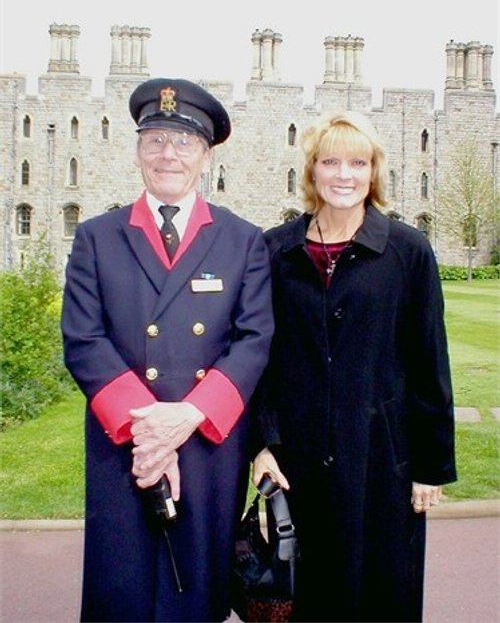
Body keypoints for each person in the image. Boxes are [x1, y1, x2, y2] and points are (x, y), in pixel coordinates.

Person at [61, 77, 274, 622]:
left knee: (194, 594)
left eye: (183, 143)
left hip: (205, 444)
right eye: (155, 139)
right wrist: (149, 431)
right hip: (123, 446)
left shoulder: (242, 240)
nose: (168, 154)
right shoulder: (97, 237)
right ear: (137, 150)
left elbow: (254, 339)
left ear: (205, 155)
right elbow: (84, 339)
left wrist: (187, 417)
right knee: (123, 587)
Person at [251, 111, 456, 622]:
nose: (344, 175)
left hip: (382, 459)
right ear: (312, 172)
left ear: (374, 173)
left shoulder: (407, 251)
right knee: (308, 596)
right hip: (297, 460)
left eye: (357, 163)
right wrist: (260, 445)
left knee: (381, 593)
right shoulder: (276, 250)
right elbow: (259, 359)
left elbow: (429, 360)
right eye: (331, 162)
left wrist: (429, 467)